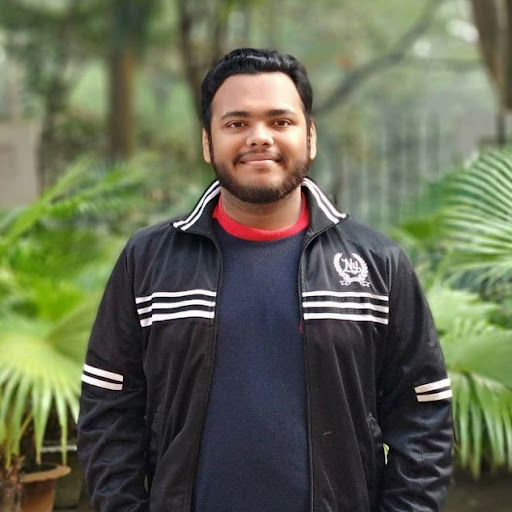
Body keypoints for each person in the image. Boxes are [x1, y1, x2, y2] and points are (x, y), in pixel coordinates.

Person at [77, 48, 454, 512]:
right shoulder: (149, 260)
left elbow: (423, 415)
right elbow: (108, 410)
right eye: (236, 123)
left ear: (310, 137)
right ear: (207, 142)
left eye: (280, 121)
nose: (259, 137)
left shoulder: (377, 263)